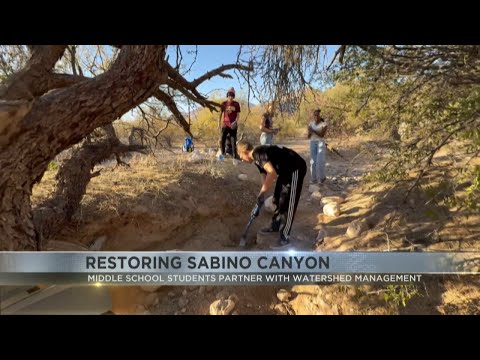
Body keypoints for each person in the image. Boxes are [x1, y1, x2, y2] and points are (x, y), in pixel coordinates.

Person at [237, 141, 307, 249]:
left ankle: (285, 237)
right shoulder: (257, 159)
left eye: (240, 156)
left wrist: (262, 193)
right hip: (285, 171)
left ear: (245, 151)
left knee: (288, 203)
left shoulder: (258, 154)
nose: (241, 159)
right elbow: (263, 174)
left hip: (295, 168)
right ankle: (275, 225)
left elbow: (272, 173)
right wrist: (262, 194)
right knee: (277, 199)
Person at [219, 87, 240, 158]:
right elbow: (220, 114)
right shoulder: (223, 103)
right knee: (222, 140)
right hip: (225, 124)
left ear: (233, 96)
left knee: (233, 141)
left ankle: (235, 157)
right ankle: (222, 155)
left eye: (232, 95)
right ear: (227, 95)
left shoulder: (236, 104)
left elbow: (238, 115)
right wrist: (219, 124)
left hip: (233, 124)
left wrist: (235, 122)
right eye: (229, 95)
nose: (230, 97)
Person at [308, 108, 328, 184]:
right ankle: (314, 178)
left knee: (320, 161)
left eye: (318, 115)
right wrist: (310, 131)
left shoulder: (324, 124)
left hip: (320, 142)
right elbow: (308, 136)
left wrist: (312, 130)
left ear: (320, 115)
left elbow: (322, 135)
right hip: (312, 142)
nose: (316, 116)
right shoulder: (311, 123)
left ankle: (322, 177)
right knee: (312, 161)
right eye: (315, 115)